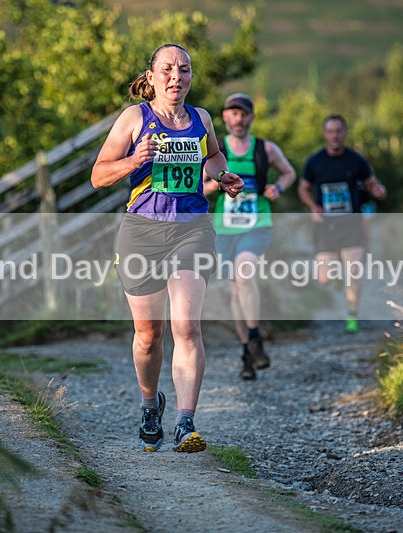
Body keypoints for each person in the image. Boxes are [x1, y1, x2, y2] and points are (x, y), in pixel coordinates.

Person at [91, 44, 243, 453]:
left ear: (192, 75)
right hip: (142, 232)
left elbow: (213, 156)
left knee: (187, 327)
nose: (177, 77)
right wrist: (133, 159)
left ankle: (185, 421)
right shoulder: (133, 119)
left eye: (185, 70)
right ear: (153, 75)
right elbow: (98, 176)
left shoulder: (201, 118)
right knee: (148, 335)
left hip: (191, 228)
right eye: (168, 70)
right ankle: (149, 404)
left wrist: (223, 175)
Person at [203, 93, 296, 380]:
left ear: (251, 117)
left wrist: (277, 188)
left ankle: (254, 334)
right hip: (225, 227)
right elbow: (200, 187)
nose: (239, 119)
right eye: (233, 113)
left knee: (245, 273)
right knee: (234, 289)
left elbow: (289, 173)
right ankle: (247, 352)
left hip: (257, 224)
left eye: (243, 114)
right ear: (225, 117)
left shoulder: (264, 149)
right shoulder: (215, 150)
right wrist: (220, 186)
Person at [298, 114, 387, 333]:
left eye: (338, 131)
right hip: (325, 226)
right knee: (325, 279)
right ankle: (335, 276)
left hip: (351, 224)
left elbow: (373, 183)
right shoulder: (315, 161)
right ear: (325, 134)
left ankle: (352, 315)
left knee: (355, 272)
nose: (334, 135)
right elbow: (303, 189)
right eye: (330, 131)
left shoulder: (356, 160)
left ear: (344, 133)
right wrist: (313, 207)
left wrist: (379, 190)